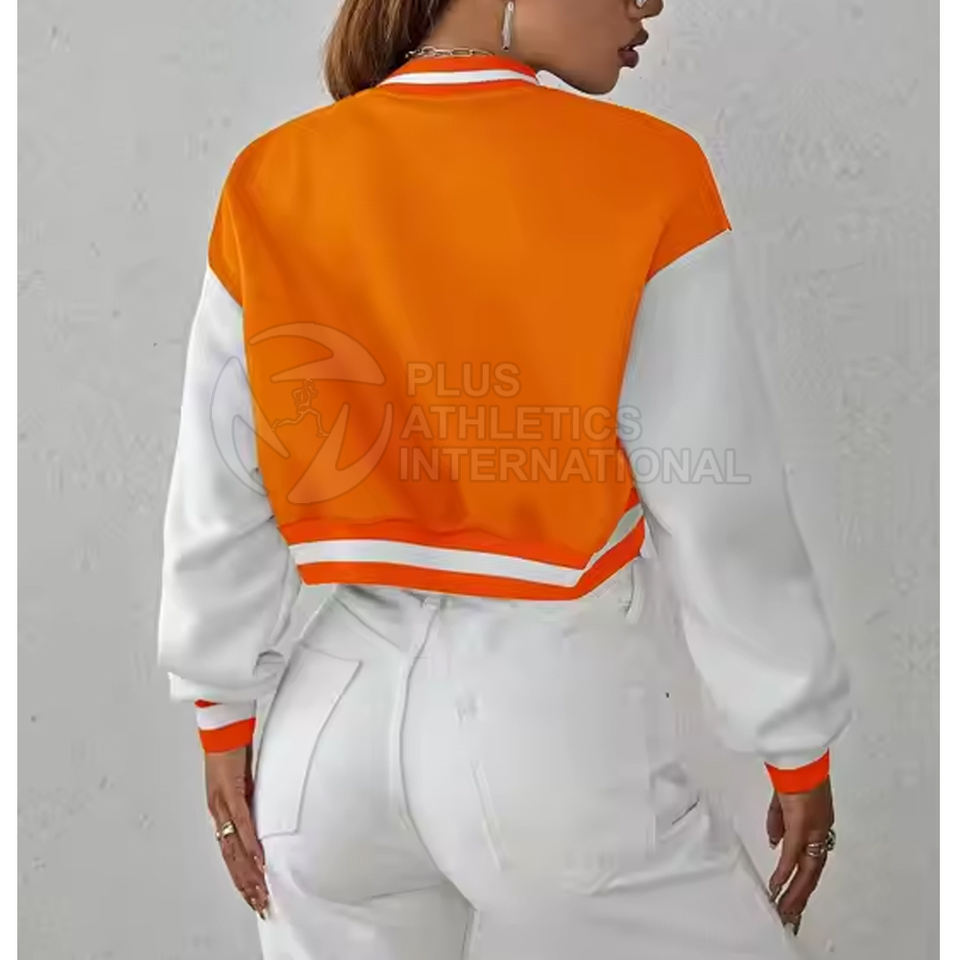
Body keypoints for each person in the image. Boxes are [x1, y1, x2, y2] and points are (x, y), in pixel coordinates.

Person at [156, 0, 853, 956]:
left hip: (322, 745)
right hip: (549, 729)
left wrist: (220, 711)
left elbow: (219, 479)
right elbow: (719, 499)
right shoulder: (647, 171)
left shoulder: (270, 176)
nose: (650, 3)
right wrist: (794, 737)